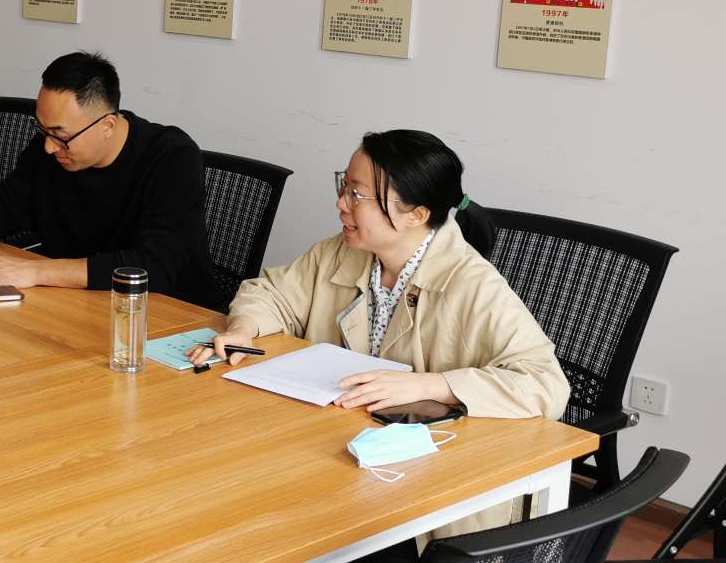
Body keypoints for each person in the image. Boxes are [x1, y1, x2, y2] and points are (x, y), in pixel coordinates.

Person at [187, 129, 568, 545]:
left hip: (424, 486)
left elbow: (546, 384)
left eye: (357, 194)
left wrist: (430, 385)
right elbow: (271, 293)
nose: (341, 203)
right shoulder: (340, 251)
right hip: (334, 451)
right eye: (344, 186)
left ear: (415, 215)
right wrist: (244, 327)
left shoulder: (472, 284)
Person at [0, 52, 214, 302]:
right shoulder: (51, 149)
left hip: (167, 315)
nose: (49, 147)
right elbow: (5, 205)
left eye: (61, 135)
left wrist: (37, 271)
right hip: (78, 301)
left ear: (107, 125)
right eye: (43, 130)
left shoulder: (171, 157)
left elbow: (155, 265)